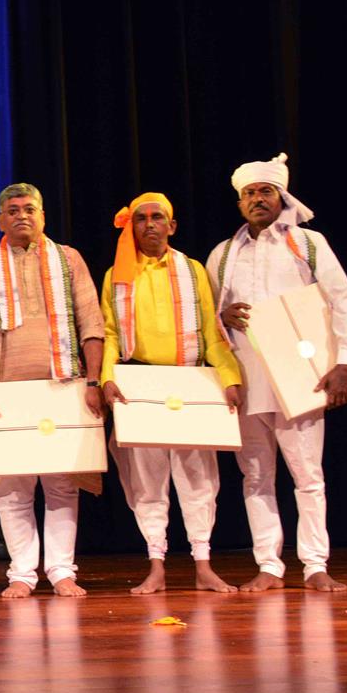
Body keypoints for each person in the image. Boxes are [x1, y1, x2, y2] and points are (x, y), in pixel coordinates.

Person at [208, 153, 347, 593]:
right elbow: (208, 320)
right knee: (256, 477)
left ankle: (315, 563)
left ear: (281, 197)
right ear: (239, 203)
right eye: (249, 194)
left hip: (301, 376)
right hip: (247, 378)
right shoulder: (222, 254)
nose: (257, 199)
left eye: (265, 191)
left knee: (307, 474)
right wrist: (224, 315)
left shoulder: (308, 243)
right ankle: (269, 566)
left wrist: (345, 363)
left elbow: (345, 304)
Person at [0, 183, 105, 598]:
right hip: (6, 390)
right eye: (12, 210)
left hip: (65, 384)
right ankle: (23, 572)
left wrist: (94, 381)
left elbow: (91, 322)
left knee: (62, 483)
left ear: (43, 215)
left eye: (30, 208)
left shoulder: (68, 259)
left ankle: (62, 568)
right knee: (11, 487)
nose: (22, 215)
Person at [100, 192, 242, 595]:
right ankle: (156, 566)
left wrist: (229, 377)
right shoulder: (117, 274)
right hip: (139, 385)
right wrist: (105, 376)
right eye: (141, 218)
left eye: (157, 217)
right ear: (132, 226)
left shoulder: (192, 269)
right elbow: (111, 332)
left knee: (198, 481)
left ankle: (203, 564)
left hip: (189, 382)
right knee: (147, 483)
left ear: (171, 225)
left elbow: (211, 329)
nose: (149, 224)